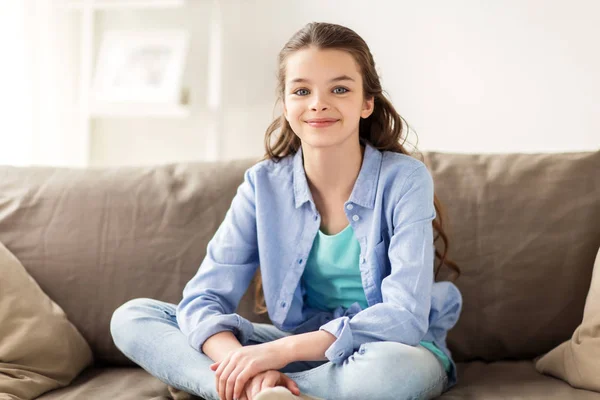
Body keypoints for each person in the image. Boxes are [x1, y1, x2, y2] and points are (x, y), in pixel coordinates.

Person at [111, 21, 463, 400]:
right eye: (301, 90)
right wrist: (241, 363)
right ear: (286, 104)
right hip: (294, 348)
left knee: (395, 371)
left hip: (386, 350)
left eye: (339, 89)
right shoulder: (262, 185)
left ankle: (276, 393)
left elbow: (405, 316)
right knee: (133, 317)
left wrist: (275, 354)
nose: (318, 103)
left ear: (366, 103)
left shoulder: (406, 179)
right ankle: (258, 391)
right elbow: (203, 298)